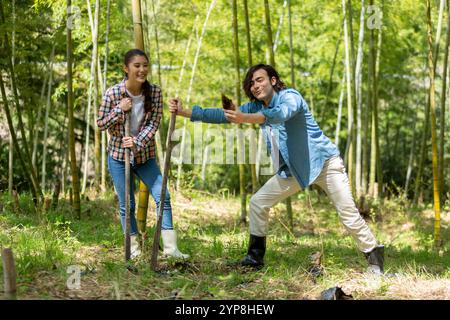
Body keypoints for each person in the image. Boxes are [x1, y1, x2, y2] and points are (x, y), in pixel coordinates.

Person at [168, 64, 384, 273]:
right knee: (258, 203)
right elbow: (223, 115)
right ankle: (254, 258)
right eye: (252, 82)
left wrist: (246, 118)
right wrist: (183, 112)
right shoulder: (256, 107)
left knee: (347, 213)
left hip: (324, 164)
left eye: (260, 79)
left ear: (273, 81)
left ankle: (374, 259)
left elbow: (281, 113)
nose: (255, 85)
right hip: (293, 171)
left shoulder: (291, 97)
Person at [97, 49, 189, 260]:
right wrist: (120, 110)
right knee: (127, 203)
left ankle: (170, 249)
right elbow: (101, 123)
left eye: (145, 65)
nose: (142, 70)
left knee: (163, 196)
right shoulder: (113, 94)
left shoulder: (154, 92)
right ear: (126, 68)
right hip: (120, 158)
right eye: (137, 65)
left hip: (145, 156)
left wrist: (136, 141)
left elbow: (155, 123)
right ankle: (134, 248)